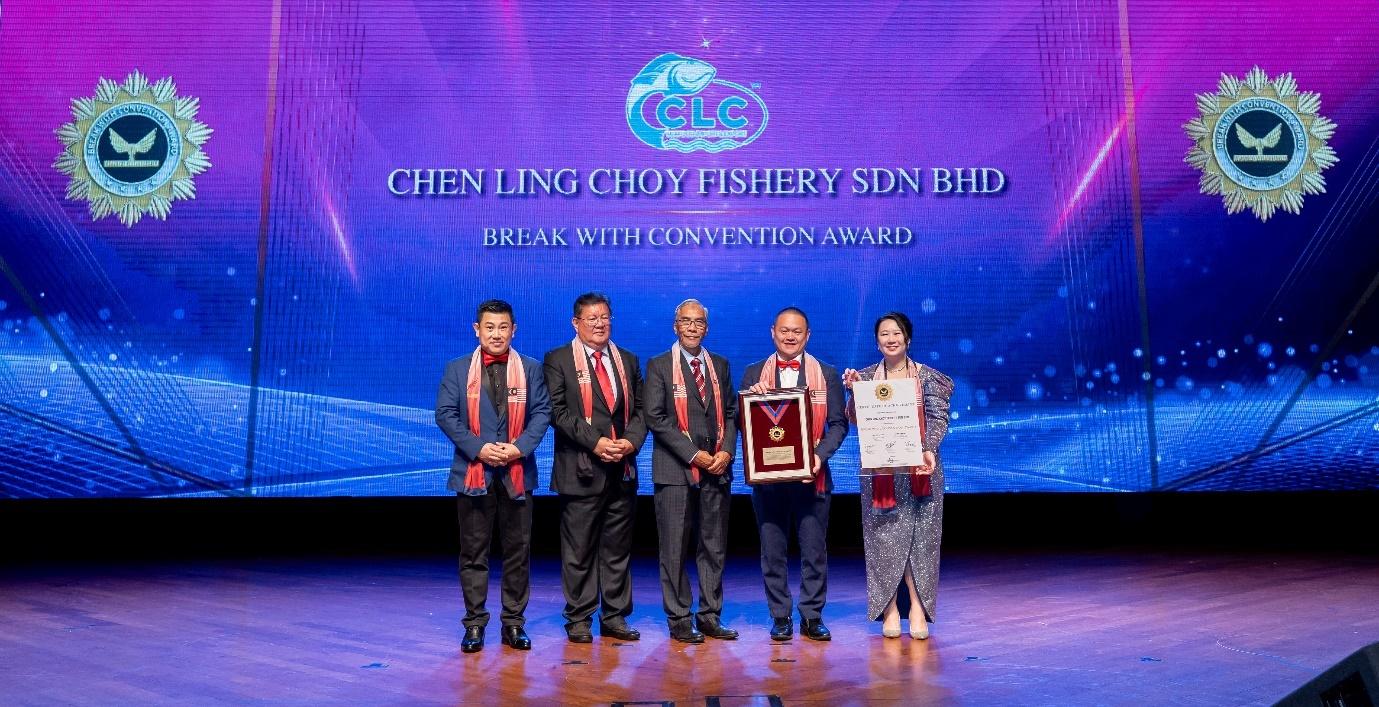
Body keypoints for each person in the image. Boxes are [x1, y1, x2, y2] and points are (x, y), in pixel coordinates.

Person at [435, 299, 552, 653]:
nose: (496, 334)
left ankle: (514, 624)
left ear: (513, 330)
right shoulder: (457, 369)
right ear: (477, 330)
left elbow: (543, 412)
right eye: (490, 327)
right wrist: (479, 448)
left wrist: (519, 448)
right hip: (474, 473)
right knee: (474, 553)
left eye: (503, 327)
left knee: (518, 553)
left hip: (517, 472)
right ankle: (474, 624)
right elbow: (445, 415)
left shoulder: (531, 369)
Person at [842, 311, 954, 640]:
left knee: (923, 542)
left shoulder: (929, 377)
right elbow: (855, 420)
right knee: (883, 543)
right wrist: (853, 393)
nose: (891, 339)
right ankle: (889, 609)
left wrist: (928, 449)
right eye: (884, 334)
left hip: (922, 468)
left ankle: (918, 608)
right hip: (881, 470)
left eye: (896, 333)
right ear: (877, 342)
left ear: (908, 339)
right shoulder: (863, 377)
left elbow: (937, 418)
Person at [543, 292, 647, 643]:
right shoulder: (558, 359)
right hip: (582, 468)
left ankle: (615, 616)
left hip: (622, 468)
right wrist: (596, 442)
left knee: (617, 549)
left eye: (605, 317)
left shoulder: (628, 360)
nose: (600, 324)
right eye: (592, 318)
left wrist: (630, 442)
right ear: (576, 323)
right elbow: (558, 412)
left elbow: (643, 411)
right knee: (579, 550)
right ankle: (579, 619)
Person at [740, 306, 848, 642]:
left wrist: (817, 457)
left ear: (807, 335)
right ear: (773, 332)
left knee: (814, 551)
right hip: (769, 482)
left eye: (797, 331)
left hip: (812, 477)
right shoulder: (753, 372)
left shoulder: (825, 373)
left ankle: (812, 615)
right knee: (772, 551)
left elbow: (838, 424)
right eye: (784, 330)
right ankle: (780, 616)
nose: (790, 336)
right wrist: (750, 402)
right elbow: (741, 424)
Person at [643, 299, 739, 643]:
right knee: (673, 548)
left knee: (713, 546)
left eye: (699, 322)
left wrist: (726, 450)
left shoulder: (721, 365)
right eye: (686, 321)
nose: (693, 327)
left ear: (706, 328)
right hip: (674, 470)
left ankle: (710, 615)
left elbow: (731, 412)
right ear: (675, 326)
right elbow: (655, 417)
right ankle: (680, 617)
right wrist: (694, 454)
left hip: (717, 468)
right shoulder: (657, 366)